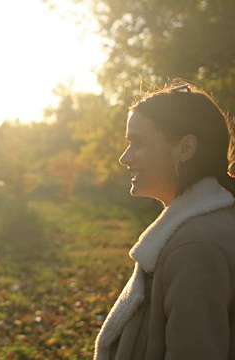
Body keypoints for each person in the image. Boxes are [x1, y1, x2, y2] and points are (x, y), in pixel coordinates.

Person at [94, 81, 235, 359]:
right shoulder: (207, 227)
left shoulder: (194, 247)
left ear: (184, 149)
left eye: (139, 142)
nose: (125, 158)